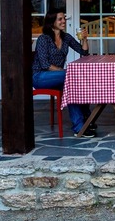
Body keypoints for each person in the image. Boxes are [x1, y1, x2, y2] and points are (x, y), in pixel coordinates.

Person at [32, 9, 94, 137]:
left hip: (59, 77)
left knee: (71, 88)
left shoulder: (66, 38)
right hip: (40, 77)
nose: (63, 21)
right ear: (52, 22)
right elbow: (45, 65)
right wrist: (65, 72)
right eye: (60, 19)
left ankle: (80, 126)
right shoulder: (44, 39)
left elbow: (84, 52)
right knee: (72, 76)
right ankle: (86, 116)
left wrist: (85, 39)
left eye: (64, 18)